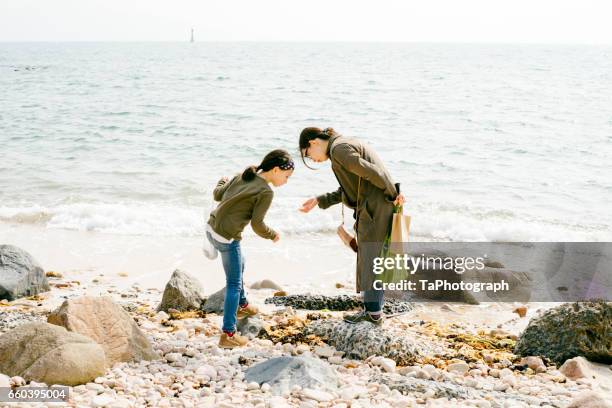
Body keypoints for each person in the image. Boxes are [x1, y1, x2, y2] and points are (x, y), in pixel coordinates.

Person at [298, 127, 404, 325]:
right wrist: (320, 200)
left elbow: (373, 172)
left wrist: (393, 194)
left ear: (313, 143)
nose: (312, 159)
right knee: (374, 257)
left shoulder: (339, 149)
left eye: (308, 154)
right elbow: (351, 187)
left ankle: (373, 313)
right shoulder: (342, 146)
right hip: (377, 205)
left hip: (375, 207)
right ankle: (373, 311)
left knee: (370, 259)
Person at [205, 149, 294, 348]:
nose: (286, 181)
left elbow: (218, 194)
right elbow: (257, 224)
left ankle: (243, 305)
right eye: (287, 177)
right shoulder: (266, 191)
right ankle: (228, 334)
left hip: (211, 230)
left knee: (241, 262)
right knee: (233, 284)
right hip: (227, 239)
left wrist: (221, 181)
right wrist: (272, 234)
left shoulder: (245, 174)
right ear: (276, 170)